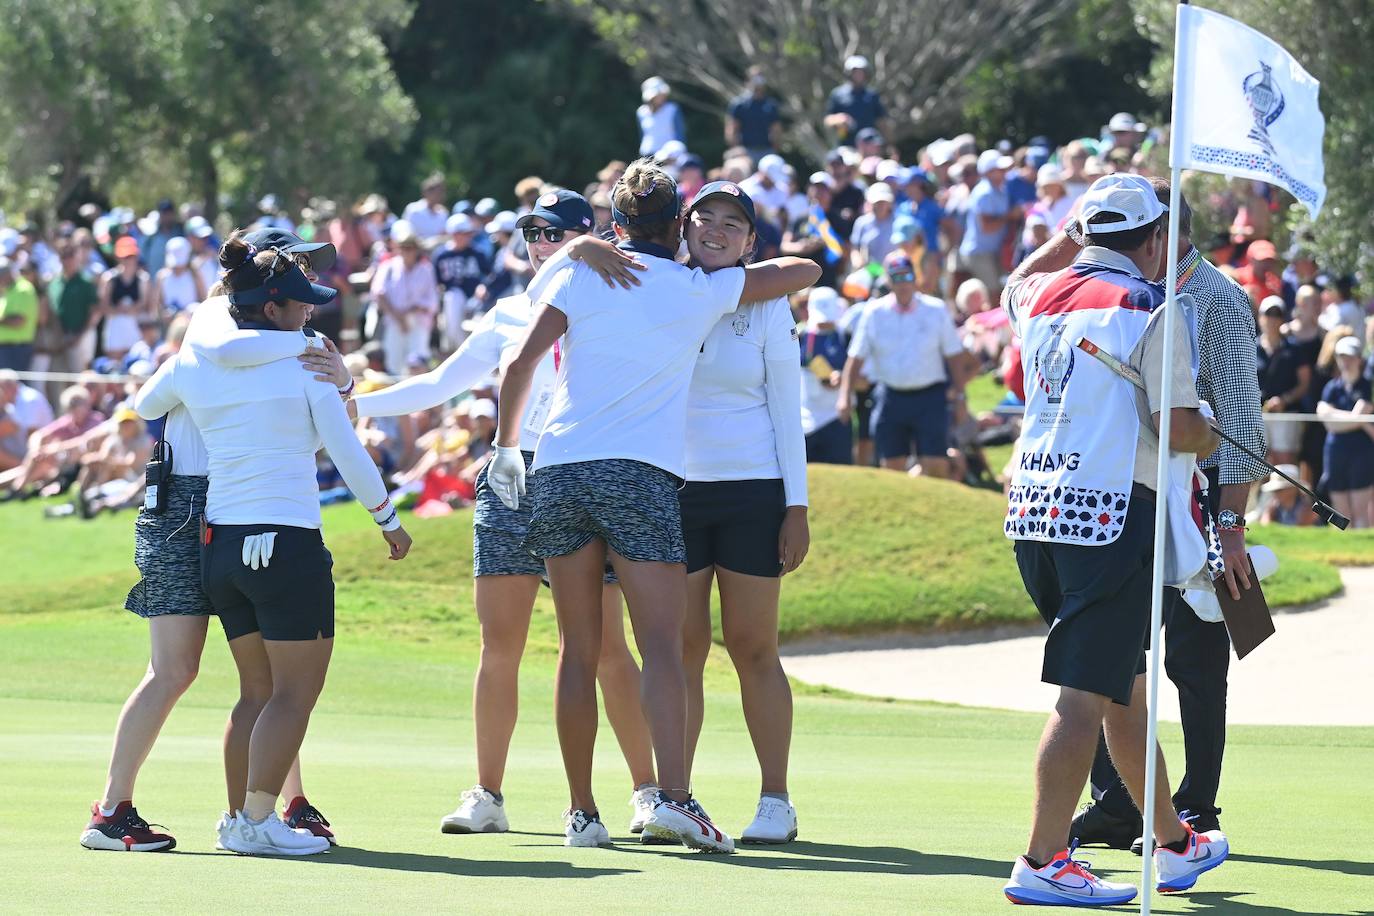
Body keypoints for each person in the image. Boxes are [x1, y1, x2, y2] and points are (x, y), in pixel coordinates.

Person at [489, 159, 820, 851]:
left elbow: (520, 363)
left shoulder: (578, 268)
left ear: (614, 223)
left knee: (578, 651)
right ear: (677, 227)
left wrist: (504, 447)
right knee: (664, 648)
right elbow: (800, 271)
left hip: (557, 467)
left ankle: (582, 814)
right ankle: (675, 799)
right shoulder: (694, 287)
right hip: (639, 477)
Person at [349, 190, 661, 838]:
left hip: (581, 481)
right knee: (500, 648)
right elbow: (440, 384)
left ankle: (647, 791)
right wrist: (357, 402)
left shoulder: (614, 301)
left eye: (552, 233)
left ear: (584, 236)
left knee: (608, 649)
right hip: (511, 482)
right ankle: (487, 794)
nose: (538, 244)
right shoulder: (506, 315)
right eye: (530, 233)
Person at [132, 234, 411, 857]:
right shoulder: (306, 360)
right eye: (302, 303)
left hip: (222, 546)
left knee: (256, 693)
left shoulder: (197, 359)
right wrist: (388, 519)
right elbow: (346, 448)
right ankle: (260, 820)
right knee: (293, 695)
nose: (311, 311)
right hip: (285, 542)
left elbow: (144, 403)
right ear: (274, 307)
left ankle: (239, 819)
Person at [80, 235, 353, 854]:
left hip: (237, 502)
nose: (308, 280)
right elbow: (147, 400)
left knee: (273, 679)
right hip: (185, 503)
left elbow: (319, 429)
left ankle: (286, 802)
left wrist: (342, 378)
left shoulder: (284, 341)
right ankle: (112, 808)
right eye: (295, 265)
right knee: (176, 667)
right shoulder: (216, 322)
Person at [1000, 174, 1229, 906]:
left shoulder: (1036, 298)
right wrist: (1215, 430)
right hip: (1109, 517)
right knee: (1084, 699)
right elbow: (1179, 426)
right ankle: (1041, 860)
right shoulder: (1152, 307)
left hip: (1036, 514)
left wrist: (1073, 230)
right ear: (1157, 239)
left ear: (1083, 231)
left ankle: (1170, 842)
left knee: (1124, 691)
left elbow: (1017, 276)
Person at [1072, 179, 1267, 853]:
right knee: (1118, 652)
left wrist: (1231, 527)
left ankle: (1196, 808)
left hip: (1202, 493)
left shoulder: (1220, 298)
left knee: (1195, 656)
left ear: (1166, 233)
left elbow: (1241, 418)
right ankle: (1117, 806)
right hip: (1132, 490)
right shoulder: (1122, 293)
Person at [677, 181, 809, 844]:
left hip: (754, 490)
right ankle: (676, 796)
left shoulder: (766, 301)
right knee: (680, 650)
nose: (718, 231)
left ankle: (776, 799)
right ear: (686, 227)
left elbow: (787, 406)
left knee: (754, 646)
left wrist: (798, 506)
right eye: (707, 219)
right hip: (673, 491)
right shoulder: (663, 289)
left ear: (751, 243)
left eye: (734, 224)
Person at [837, 250, 976, 479]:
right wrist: (845, 395)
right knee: (892, 467)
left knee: (936, 466)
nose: (903, 284)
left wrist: (960, 396)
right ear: (888, 281)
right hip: (890, 396)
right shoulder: (874, 312)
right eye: (897, 278)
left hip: (930, 397)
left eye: (907, 277)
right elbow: (855, 357)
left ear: (915, 277)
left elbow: (954, 356)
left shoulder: (935, 309)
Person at [1317, 336, 1374, 528]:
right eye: (1342, 357)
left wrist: (1335, 417)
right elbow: (1327, 420)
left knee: (1360, 511)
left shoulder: (1367, 385)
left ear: (1359, 358)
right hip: (1335, 452)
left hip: (1362, 453)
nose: (1346, 362)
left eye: (1350, 356)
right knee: (1341, 512)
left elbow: (1356, 415)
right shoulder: (1332, 387)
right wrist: (1358, 421)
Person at [372, 221, 439, 375]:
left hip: (418, 322)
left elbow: (431, 301)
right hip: (393, 321)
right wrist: (398, 317)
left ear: (416, 249)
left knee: (418, 363)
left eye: (410, 248)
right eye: (403, 247)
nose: (406, 251)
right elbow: (378, 293)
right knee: (394, 363)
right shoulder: (388, 267)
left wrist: (408, 313)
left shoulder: (426, 269)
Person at [798, 287, 852, 464]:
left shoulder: (845, 336)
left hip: (836, 419)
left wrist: (843, 378)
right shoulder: (799, 336)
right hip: (805, 422)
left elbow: (864, 381)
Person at [1256, 296, 1309, 465]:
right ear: (1260, 317)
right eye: (1268, 314)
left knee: (1284, 463)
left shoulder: (1294, 349)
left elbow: (1304, 383)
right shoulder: (1250, 347)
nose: (1272, 319)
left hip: (1286, 414)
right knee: (1257, 461)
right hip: (1257, 414)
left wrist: (1285, 400)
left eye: (1277, 314)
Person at [956, 150, 1013, 301]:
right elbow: (987, 227)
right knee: (994, 294)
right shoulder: (984, 193)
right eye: (998, 170)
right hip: (979, 253)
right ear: (988, 173)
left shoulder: (999, 189)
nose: (1003, 172)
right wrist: (1010, 216)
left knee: (1001, 290)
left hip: (991, 251)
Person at [432, 213, 492, 352]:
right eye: (464, 233)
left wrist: (483, 286)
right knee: (453, 296)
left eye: (469, 233)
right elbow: (436, 283)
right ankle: (458, 350)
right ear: (454, 234)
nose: (468, 237)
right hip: (452, 301)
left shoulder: (477, 252)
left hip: (475, 300)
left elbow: (489, 275)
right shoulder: (441, 255)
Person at [49, 242, 101, 375]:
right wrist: (59, 335)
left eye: (71, 256)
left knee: (83, 372)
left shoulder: (85, 282)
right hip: (61, 336)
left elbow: (95, 311)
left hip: (83, 334)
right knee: (63, 374)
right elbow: (54, 311)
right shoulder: (55, 283)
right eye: (64, 256)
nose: (68, 260)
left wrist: (80, 335)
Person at [98, 237, 152, 364]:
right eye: (125, 256)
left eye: (131, 256)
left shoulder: (143, 279)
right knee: (114, 365)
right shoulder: (109, 278)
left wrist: (133, 309)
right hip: (115, 328)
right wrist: (118, 310)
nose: (128, 260)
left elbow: (146, 305)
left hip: (135, 327)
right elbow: (103, 307)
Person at [824, 55, 888, 142]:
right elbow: (828, 120)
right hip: (846, 145)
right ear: (849, 73)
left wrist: (889, 144)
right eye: (855, 72)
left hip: (870, 145)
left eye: (861, 72)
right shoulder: (837, 94)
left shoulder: (872, 95)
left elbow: (881, 122)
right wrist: (839, 119)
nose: (859, 75)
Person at [726, 67, 782, 162]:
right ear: (748, 80)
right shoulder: (739, 104)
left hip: (766, 151)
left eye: (760, 77)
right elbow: (732, 129)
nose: (758, 81)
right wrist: (736, 149)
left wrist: (775, 149)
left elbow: (776, 129)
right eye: (755, 77)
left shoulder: (770, 104)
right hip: (745, 151)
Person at [150, 237, 207, 320]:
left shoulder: (194, 275)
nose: (178, 267)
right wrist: (164, 315)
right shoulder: (162, 276)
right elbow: (156, 308)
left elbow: (204, 300)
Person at [0, 256, 39, 371]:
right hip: (6, 348)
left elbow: (19, 321)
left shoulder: (23, 289)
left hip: (16, 349)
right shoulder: (7, 290)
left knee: (14, 385)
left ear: (7, 274)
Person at [849, 183, 898, 271]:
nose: (880, 205)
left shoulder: (898, 222)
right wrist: (857, 260)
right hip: (867, 270)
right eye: (877, 202)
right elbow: (855, 248)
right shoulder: (861, 223)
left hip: (893, 271)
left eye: (883, 202)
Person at [637, 76, 685, 157]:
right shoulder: (641, 112)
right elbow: (643, 135)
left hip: (669, 156)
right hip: (648, 155)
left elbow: (679, 133)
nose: (661, 98)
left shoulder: (672, 109)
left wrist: (679, 152)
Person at [402, 173, 451, 246]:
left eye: (441, 192)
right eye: (437, 192)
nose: (440, 195)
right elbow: (406, 233)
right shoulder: (413, 210)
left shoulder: (443, 213)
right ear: (426, 192)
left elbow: (446, 236)